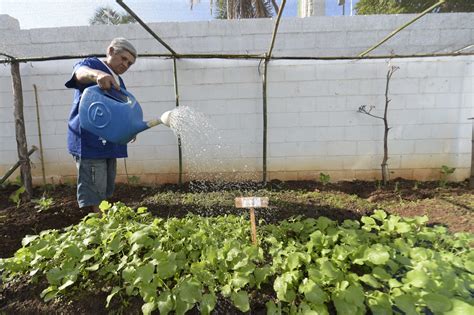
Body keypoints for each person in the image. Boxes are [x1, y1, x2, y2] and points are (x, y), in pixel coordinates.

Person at [65, 37, 137, 213]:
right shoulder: (93, 65)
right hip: (90, 140)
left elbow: (119, 112)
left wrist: (129, 128)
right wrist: (96, 75)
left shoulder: (118, 81)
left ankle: (102, 221)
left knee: (105, 185)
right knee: (94, 187)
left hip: (109, 141)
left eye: (130, 63)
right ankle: (99, 226)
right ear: (111, 51)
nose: (125, 65)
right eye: (124, 59)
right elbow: (79, 72)